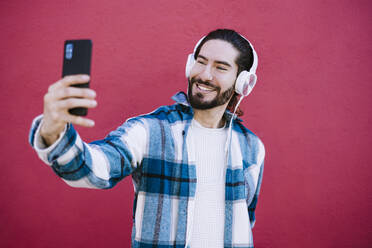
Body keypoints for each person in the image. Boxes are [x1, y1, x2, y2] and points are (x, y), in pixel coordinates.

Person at [29, 29, 265, 248]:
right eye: (201, 62)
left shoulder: (252, 148)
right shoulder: (149, 130)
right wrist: (53, 130)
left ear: (242, 83)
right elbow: (92, 170)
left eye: (220, 67)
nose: (204, 74)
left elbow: (246, 219)